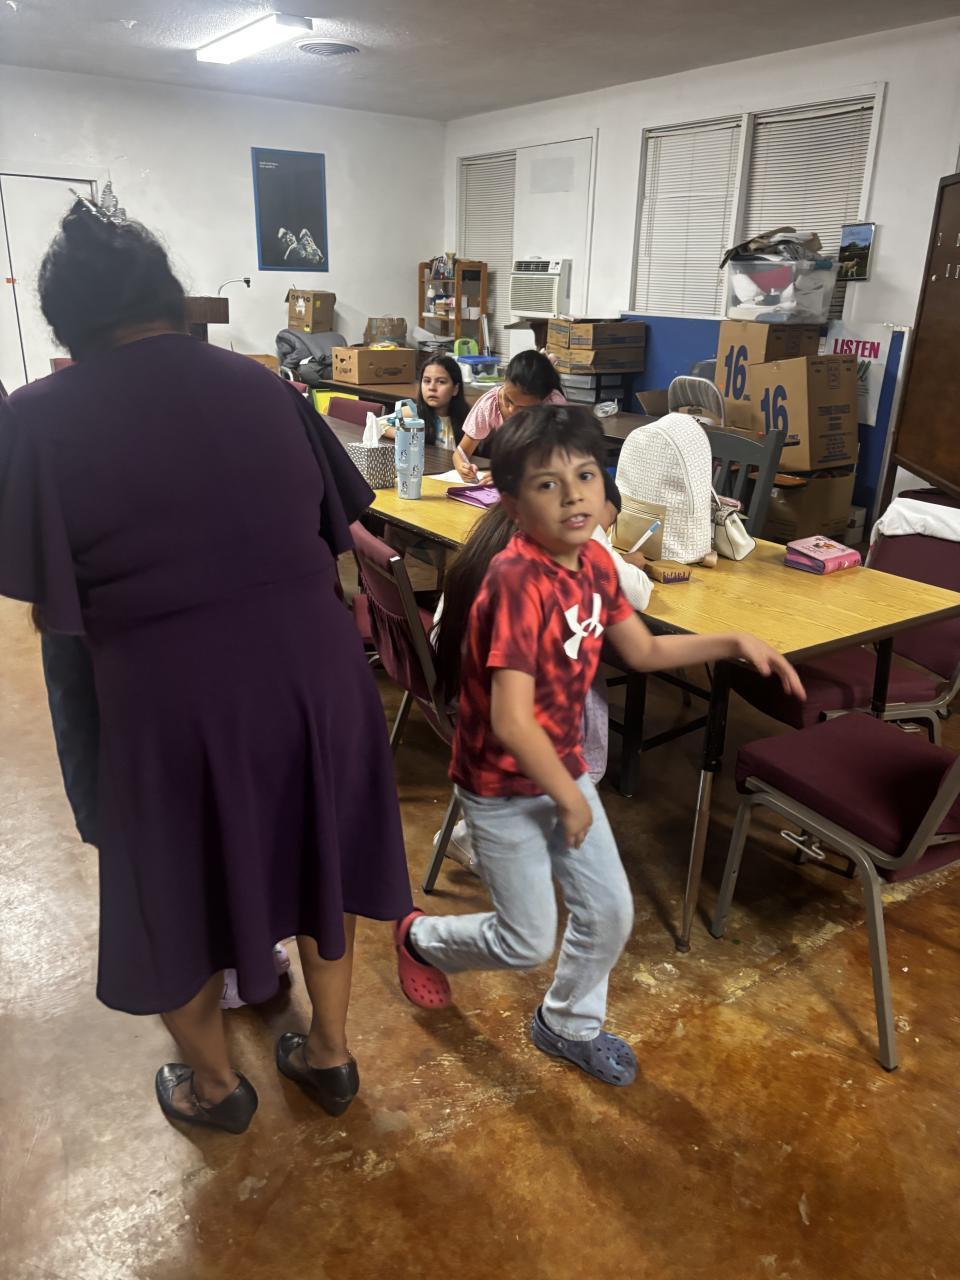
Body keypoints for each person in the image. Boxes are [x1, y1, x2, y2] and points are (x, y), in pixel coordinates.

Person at [0, 194, 413, 1133]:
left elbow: (48, 604)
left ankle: (217, 1090)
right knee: (318, 855)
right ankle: (331, 1055)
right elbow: (335, 536)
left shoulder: (36, 417)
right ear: (169, 297)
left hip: (168, 697)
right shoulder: (268, 388)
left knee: (169, 892)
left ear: (65, 321)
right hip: (317, 678)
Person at [394, 405, 804, 1086]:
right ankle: (420, 939)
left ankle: (567, 1024)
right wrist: (570, 797)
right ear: (513, 504)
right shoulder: (515, 584)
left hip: (561, 767)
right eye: (548, 484)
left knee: (610, 912)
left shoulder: (593, 564)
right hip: (501, 787)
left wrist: (733, 640)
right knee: (525, 941)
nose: (574, 495)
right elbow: (511, 719)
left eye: (585, 475)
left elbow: (641, 651)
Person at [38, 625, 291, 1010]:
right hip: (151, 719)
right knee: (189, 851)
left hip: (198, 701)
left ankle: (243, 947)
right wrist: (90, 808)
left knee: (233, 836)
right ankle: (218, 959)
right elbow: (71, 688)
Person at [452, 349, 566, 482]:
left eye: (523, 408)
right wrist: (462, 466)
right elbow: (460, 453)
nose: (511, 409)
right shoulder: (490, 403)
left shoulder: (554, 406)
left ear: (542, 400)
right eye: (508, 399)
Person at [382, 355, 470, 450]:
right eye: (427, 381)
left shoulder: (469, 418)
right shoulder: (413, 412)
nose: (432, 388)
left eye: (441, 382)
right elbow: (378, 424)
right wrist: (402, 434)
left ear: (455, 389)